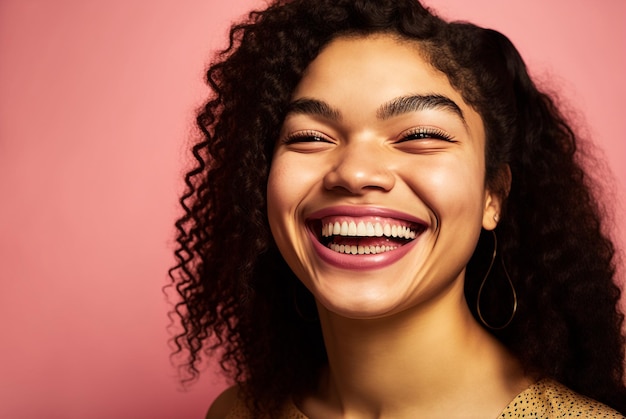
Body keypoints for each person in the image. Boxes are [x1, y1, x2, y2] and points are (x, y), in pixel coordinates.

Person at [168, 0, 626, 417]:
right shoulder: (237, 413)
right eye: (309, 137)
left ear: (494, 196)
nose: (355, 172)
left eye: (420, 136)